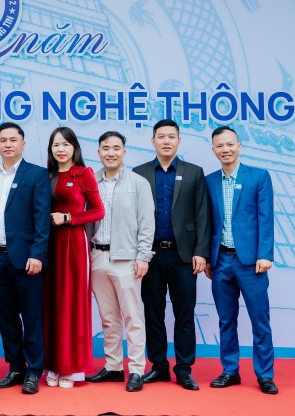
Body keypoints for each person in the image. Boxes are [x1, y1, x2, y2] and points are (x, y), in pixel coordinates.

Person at [0, 122, 52, 395]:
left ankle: (34, 370)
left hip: (27, 260)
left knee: (32, 317)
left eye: (13, 140)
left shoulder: (36, 175)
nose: (8, 144)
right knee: (6, 317)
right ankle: (16, 367)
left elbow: (42, 219)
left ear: (23, 144)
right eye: (3, 140)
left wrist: (37, 254)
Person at [133, 119, 211, 391]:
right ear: (152, 141)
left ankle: (184, 368)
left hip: (184, 256)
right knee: (153, 312)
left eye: (171, 137)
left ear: (179, 140)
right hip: (151, 255)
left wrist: (201, 252)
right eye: (161, 137)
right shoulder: (140, 173)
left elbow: (203, 214)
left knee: (184, 313)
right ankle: (159, 366)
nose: (166, 141)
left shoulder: (194, 172)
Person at [204, 126, 278, 395]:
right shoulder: (209, 181)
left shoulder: (258, 176)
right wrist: (207, 257)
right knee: (226, 320)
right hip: (220, 260)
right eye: (219, 146)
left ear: (239, 146)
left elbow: (265, 217)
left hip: (251, 262)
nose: (225, 149)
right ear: (213, 150)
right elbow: (207, 222)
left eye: (230, 144)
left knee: (260, 320)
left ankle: (265, 375)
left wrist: (265, 254)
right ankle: (230, 370)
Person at [86, 131, 155, 392]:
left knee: (133, 317)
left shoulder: (138, 183)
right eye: (106, 148)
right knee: (108, 317)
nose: (111, 153)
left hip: (126, 259)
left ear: (124, 152)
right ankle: (113, 366)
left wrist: (143, 256)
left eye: (116, 148)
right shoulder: (91, 181)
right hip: (97, 256)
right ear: (98, 152)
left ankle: (136, 369)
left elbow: (147, 223)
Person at [43, 127, 103, 388]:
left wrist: (69, 218)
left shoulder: (83, 174)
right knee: (51, 304)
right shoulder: (46, 176)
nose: (61, 149)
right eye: (56, 144)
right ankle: (53, 365)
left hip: (74, 244)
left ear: (74, 148)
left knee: (72, 303)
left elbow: (98, 211)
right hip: (49, 244)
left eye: (66, 144)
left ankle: (72, 368)